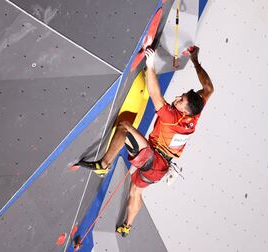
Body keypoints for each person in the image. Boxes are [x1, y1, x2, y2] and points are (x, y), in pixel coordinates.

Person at [73, 46, 214, 237]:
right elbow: (208, 88)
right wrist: (195, 60)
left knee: (125, 127)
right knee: (136, 191)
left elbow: (155, 94)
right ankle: (126, 227)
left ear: (185, 111)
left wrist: (151, 65)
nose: (178, 97)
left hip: (154, 160)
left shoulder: (173, 117)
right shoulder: (194, 114)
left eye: (181, 100)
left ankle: (104, 164)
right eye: (182, 95)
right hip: (160, 169)